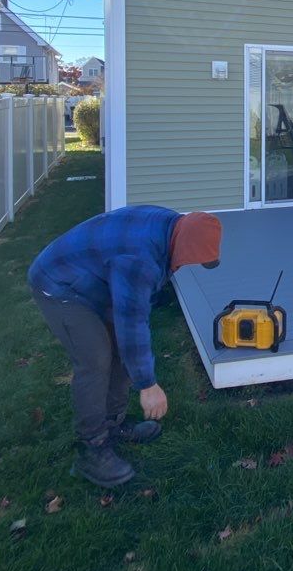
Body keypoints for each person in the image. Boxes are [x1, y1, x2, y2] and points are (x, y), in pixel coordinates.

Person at [28, 206, 222, 487]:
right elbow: (132, 321)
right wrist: (147, 385)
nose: (189, 266)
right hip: (60, 284)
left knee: (121, 349)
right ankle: (91, 446)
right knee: (95, 359)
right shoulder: (139, 261)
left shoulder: (171, 224)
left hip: (96, 276)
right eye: (191, 260)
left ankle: (113, 423)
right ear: (181, 247)